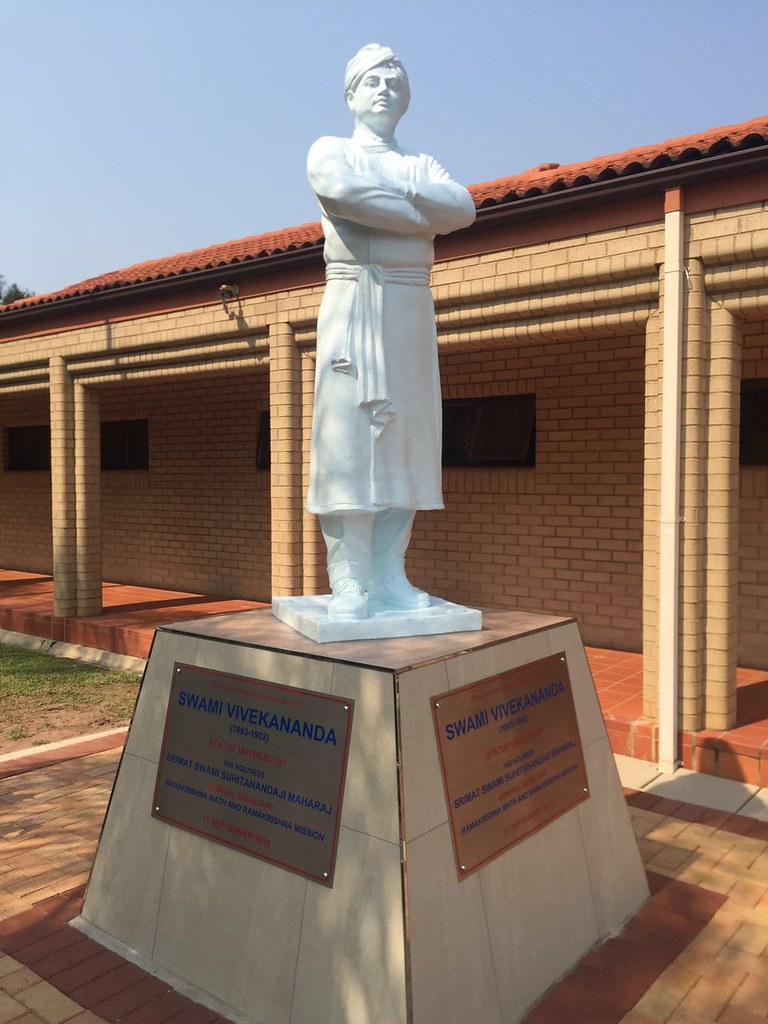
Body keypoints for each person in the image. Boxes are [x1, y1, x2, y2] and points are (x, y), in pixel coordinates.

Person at [307, 44, 476, 619]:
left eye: (393, 81)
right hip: (354, 301)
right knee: (349, 442)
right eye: (372, 81)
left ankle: (390, 575)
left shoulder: (421, 162)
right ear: (351, 93)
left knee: (406, 440)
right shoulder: (331, 149)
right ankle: (350, 580)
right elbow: (342, 193)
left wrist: (405, 201)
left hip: (408, 307)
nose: (383, 89)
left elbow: (462, 210)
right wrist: (419, 215)